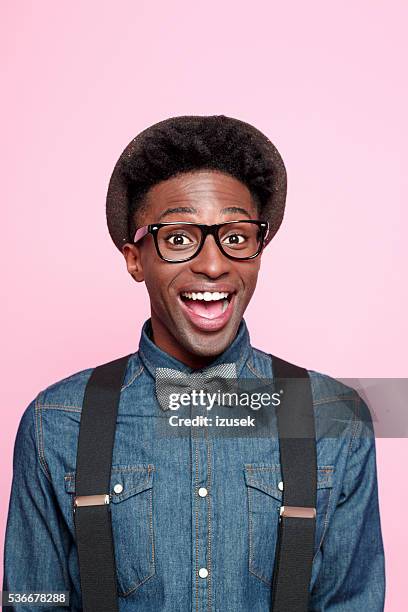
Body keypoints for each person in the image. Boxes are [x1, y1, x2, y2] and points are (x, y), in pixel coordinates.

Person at [3, 115, 385, 611]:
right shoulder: (55, 423)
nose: (212, 264)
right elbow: (34, 599)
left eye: (236, 236)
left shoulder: (335, 418)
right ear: (135, 258)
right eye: (179, 237)